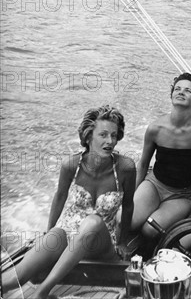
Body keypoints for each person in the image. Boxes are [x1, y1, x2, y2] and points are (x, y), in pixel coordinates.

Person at [2, 105, 136, 298]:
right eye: (103, 135)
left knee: (93, 221)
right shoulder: (71, 165)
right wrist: (49, 233)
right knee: (17, 276)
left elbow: (129, 204)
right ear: (89, 137)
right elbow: (59, 198)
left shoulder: (125, 167)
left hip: (101, 241)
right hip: (67, 233)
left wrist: (123, 242)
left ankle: (42, 291)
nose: (110, 141)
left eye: (114, 135)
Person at [130, 73, 191, 246]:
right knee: (127, 220)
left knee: (150, 229)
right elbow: (143, 164)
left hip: (183, 194)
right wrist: (131, 195)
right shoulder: (155, 128)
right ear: (172, 95)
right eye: (177, 89)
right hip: (154, 184)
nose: (181, 92)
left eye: (188, 90)